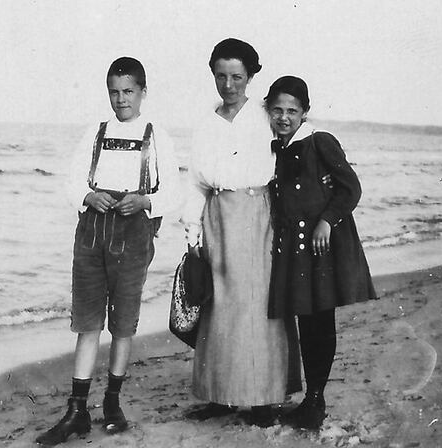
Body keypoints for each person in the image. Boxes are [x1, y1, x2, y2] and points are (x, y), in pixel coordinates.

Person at [35, 57, 181, 445]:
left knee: (123, 321)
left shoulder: (156, 135)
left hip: (133, 233)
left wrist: (145, 202)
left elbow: (174, 192)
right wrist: (87, 194)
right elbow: (70, 181)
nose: (121, 100)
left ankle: (112, 401)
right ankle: (77, 409)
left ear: (142, 92)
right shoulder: (96, 133)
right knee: (87, 320)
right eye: (114, 93)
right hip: (92, 232)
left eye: (128, 92)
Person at [181, 38, 288, 427]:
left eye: (237, 76)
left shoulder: (265, 115)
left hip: (258, 215)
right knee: (218, 305)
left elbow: (299, 140)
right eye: (221, 76)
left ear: (250, 76)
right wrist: (192, 235)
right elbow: (195, 182)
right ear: (213, 74)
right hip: (216, 216)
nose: (229, 85)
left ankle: (262, 398)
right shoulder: (206, 121)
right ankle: (221, 396)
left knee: (258, 307)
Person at [265, 75, 378, 429]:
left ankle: (315, 399)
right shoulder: (276, 148)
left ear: (305, 112)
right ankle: (313, 400)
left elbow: (350, 188)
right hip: (294, 251)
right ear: (269, 110)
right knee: (305, 321)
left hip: (322, 246)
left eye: (292, 111)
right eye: (278, 110)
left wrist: (327, 221)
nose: (284, 117)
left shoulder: (320, 142)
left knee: (320, 322)